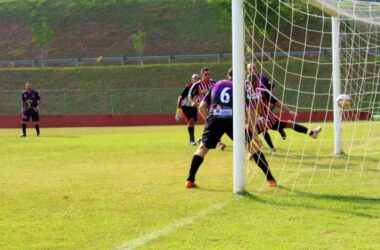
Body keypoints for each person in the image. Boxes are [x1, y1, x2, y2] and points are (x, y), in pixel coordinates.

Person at [185, 68, 277, 188]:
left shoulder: (216, 84)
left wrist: (209, 120)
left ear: (227, 75)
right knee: (252, 148)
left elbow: (202, 107)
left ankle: (190, 180)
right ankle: (270, 179)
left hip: (214, 118)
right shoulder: (241, 88)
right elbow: (250, 110)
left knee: (202, 148)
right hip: (232, 120)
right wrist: (253, 132)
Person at [246, 73, 322, 143]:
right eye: (257, 80)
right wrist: (289, 111)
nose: (258, 81)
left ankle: (252, 152)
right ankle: (312, 133)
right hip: (268, 120)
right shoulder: (262, 91)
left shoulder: (245, 92)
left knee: (249, 137)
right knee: (290, 124)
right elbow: (276, 102)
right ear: (255, 81)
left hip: (254, 121)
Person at [188, 67, 226, 150]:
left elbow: (219, 93)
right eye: (206, 74)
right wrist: (192, 102)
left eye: (209, 74)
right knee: (212, 124)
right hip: (203, 108)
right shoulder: (197, 85)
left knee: (211, 125)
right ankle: (219, 142)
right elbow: (190, 95)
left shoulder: (214, 83)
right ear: (202, 75)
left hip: (214, 108)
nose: (208, 76)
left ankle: (202, 139)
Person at [247, 63, 280, 152]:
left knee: (262, 128)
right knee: (260, 129)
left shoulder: (263, 78)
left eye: (253, 68)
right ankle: (268, 147)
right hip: (252, 110)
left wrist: (271, 102)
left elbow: (271, 87)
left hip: (264, 107)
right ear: (247, 70)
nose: (252, 70)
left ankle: (254, 151)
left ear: (256, 68)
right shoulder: (246, 82)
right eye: (250, 69)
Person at [175, 73, 200, 145]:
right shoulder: (188, 87)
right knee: (191, 121)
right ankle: (192, 140)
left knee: (193, 123)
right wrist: (178, 111)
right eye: (195, 78)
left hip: (193, 107)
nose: (197, 80)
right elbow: (180, 98)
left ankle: (193, 140)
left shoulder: (199, 87)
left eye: (198, 78)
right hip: (185, 106)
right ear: (192, 80)